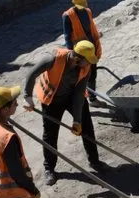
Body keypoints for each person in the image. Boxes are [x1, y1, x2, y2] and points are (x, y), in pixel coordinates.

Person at [23, 40, 108, 185]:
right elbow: (31, 74)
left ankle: (94, 161)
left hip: (71, 96)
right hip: (51, 99)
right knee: (50, 134)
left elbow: (80, 93)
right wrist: (28, 97)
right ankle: (49, 168)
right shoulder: (53, 59)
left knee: (86, 125)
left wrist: (77, 120)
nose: (90, 64)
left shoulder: (85, 68)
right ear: (77, 58)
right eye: (87, 61)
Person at [63, 0, 103, 104]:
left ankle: (92, 98)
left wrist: (97, 36)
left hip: (91, 49)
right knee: (81, 78)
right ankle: (80, 102)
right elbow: (67, 36)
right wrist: (71, 53)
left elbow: (90, 28)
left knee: (92, 74)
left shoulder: (88, 11)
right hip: (80, 52)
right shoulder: (68, 16)